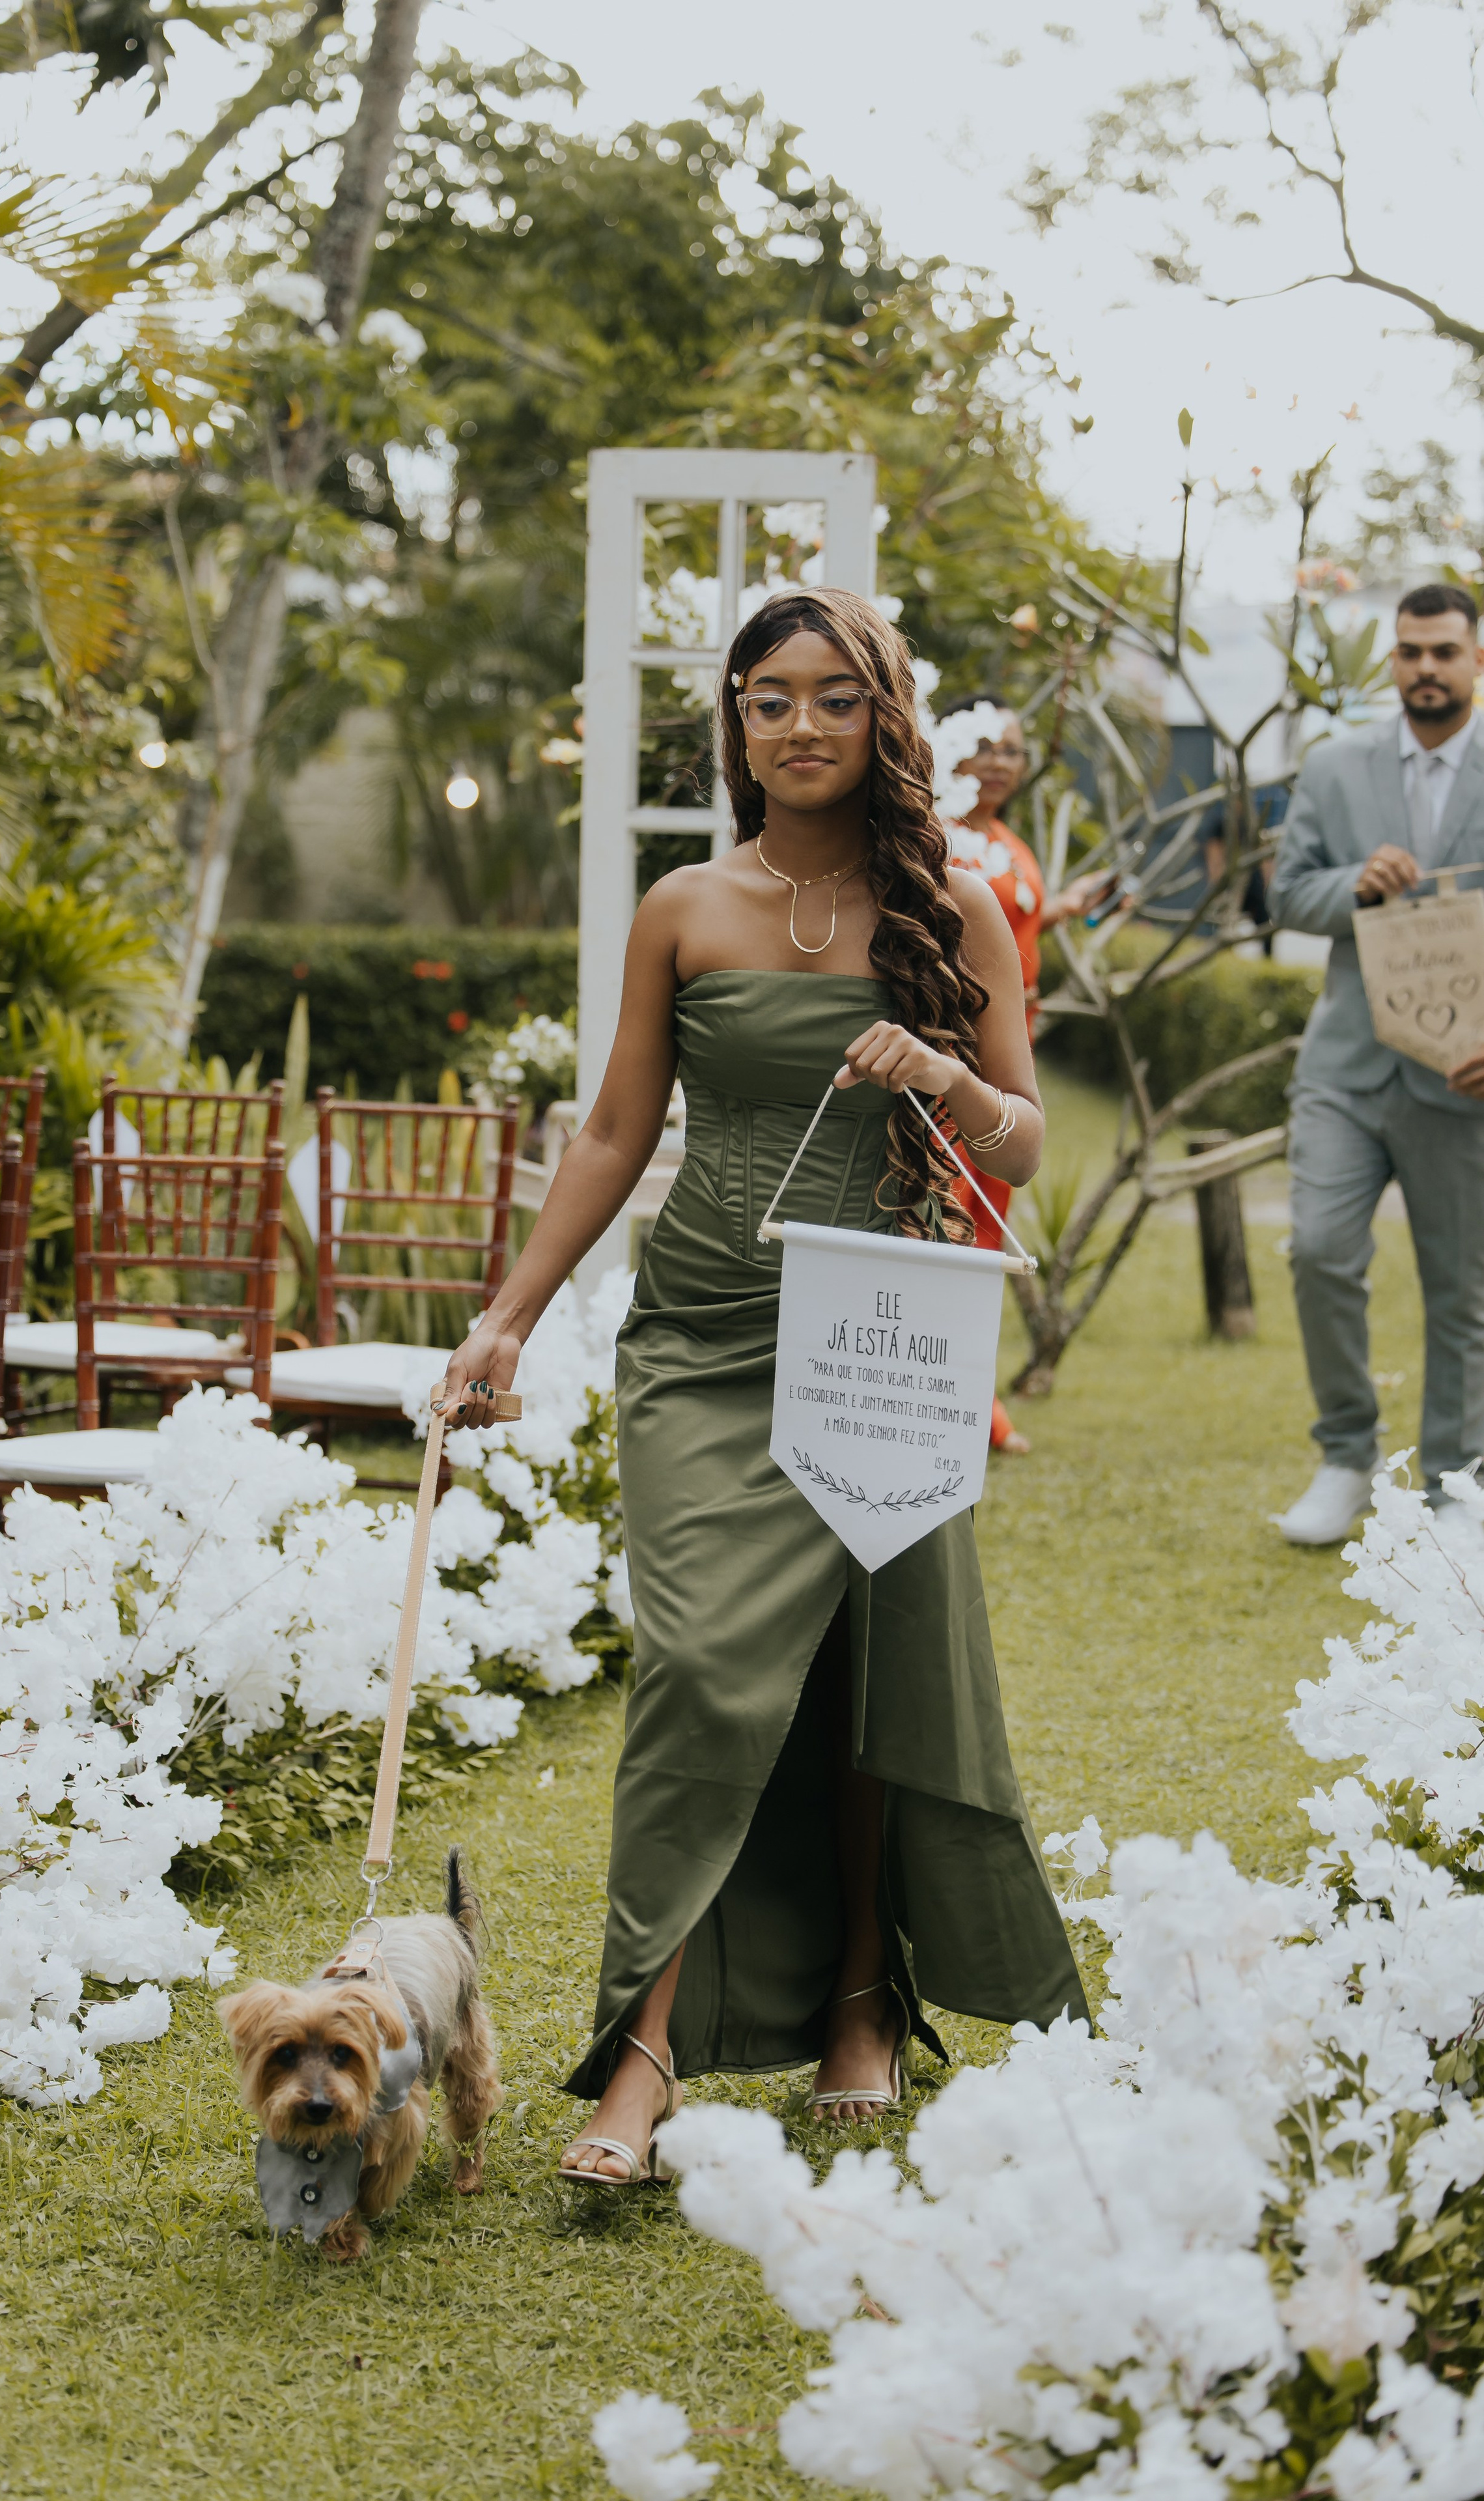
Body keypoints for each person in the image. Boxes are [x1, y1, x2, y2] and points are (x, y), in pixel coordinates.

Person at [442, 588, 1086, 2188]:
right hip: (705, 1333)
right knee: (696, 1673)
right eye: (763, 700)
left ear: (882, 717)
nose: (795, 726)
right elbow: (609, 1134)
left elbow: (1024, 1136)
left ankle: (863, 1999)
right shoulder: (684, 906)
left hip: (884, 1329)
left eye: (828, 697)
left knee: (871, 1671)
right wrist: (508, 1318)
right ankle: (641, 2052)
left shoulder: (951, 905)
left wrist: (938, 1071)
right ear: (732, 725)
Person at [1268, 581, 1484, 1546]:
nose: (1425, 668)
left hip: (1466, 1077)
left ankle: (1454, 1489)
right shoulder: (1337, 765)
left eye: (1444, 651)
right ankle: (1347, 1454)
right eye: (1409, 652)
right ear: (1392, 660)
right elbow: (1286, 894)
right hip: (1347, 1069)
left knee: (1463, 1288)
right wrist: (1351, 885)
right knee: (1317, 1250)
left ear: (1476, 658)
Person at [936, 696, 1112, 1454]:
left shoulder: (1006, 840)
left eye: (1012, 749)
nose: (1002, 762)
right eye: (985, 747)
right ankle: (945, 1396)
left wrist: (1067, 907)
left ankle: (974, 1395)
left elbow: (1015, 933)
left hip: (1012, 1062)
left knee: (984, 1229)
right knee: (941, 1223)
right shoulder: (932, 837)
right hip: (952, 1058)